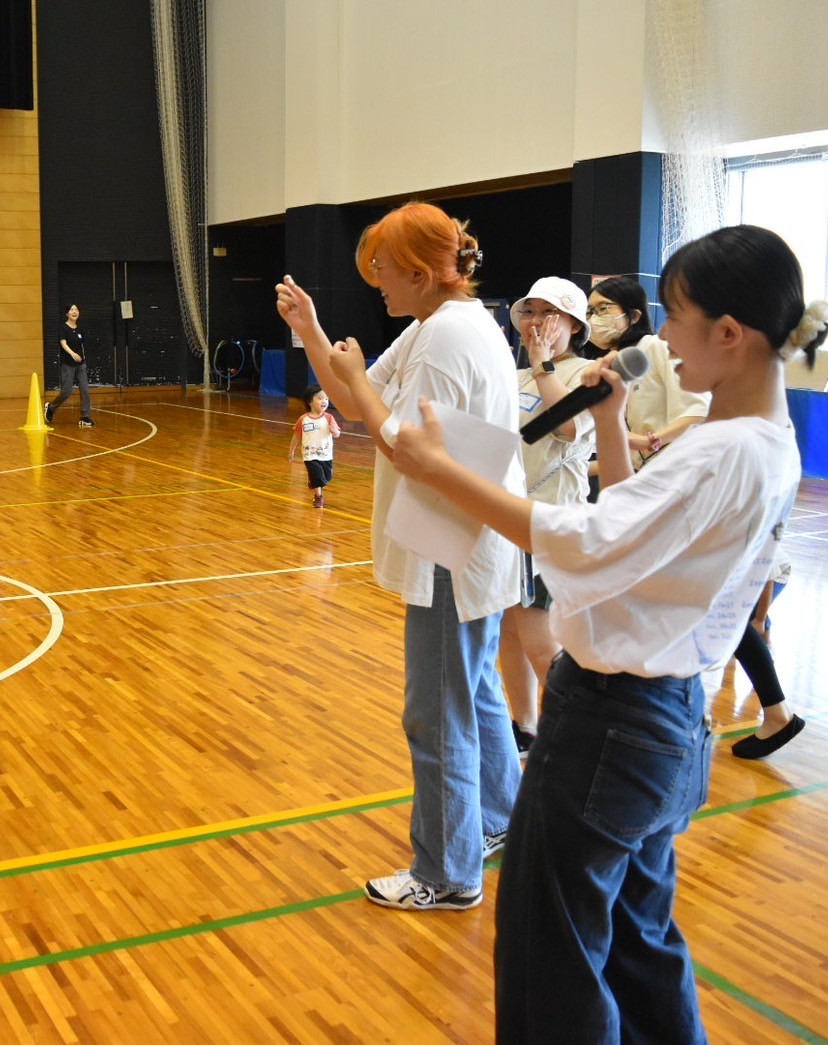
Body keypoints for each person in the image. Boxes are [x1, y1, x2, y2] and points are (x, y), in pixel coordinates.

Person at [368, 225, 828, 1042]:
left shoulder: (715, 450)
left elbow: (583, 542)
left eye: (676, 319)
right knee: (638, 942)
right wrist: (610, 426)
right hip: (666, 721)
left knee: (555, 956)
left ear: (729, 333)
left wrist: (441, 471)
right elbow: (626, 528)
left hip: (612, 724)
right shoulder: (762, 442)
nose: (661, 339)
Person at [275, 201, 523, 912]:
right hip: (464, 537)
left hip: (454, 543)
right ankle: (505, 817)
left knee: (436, 708)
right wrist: (313, 330)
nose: (375, 285)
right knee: (472, 691)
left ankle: (445, 871)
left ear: (419, 271)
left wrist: (349, 370)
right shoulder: (435, 326)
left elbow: (408, 449)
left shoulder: (446, 338)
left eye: (381, 272)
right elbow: (357, 401)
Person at [503, 277, 596, 755]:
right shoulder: (513, 375)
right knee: (508, 631)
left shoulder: (590, 373)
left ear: (574, 324)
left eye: (547, 313)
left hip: (552, 523)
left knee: (540, 637)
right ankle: (525, 727)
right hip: (508, 517)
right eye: (529, 311)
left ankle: (575, 738)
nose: (534, 322)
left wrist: (543, 366)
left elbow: (568, 427)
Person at [586, 276, 710, 471]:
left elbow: (698, 413)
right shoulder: (605, 366)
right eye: (590, 311)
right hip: (642, 475)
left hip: (679, 469)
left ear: (634, 316)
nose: (594, 318)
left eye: (604, 308)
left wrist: (649, 441)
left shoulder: (656, 346)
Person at [288, 384, 340, 508]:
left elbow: (337, 434)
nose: (324, 401)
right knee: (316, 473)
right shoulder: (303, 419)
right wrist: (291, 451)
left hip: (325, 455)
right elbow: (296, 436)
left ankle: (315, 482)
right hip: (309, 455)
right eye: (320, 398)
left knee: (325, 477)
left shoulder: (329, 418)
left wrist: (334, 431)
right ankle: (318, 497)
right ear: (310, 401)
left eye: (326, 398)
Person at [45, 303, 95, 427]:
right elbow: (63, 343)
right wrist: (72, 354)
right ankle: (51, 407)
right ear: (67, 313)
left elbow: (83, 344)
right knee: (66, 392)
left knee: (85, 390)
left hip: (81, 364)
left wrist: (83, 356)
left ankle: (85, 417)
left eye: (76, 309)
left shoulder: (80, 329)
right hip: (68, 364)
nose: (74, 312)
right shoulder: (63, 328)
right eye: (72, 310)